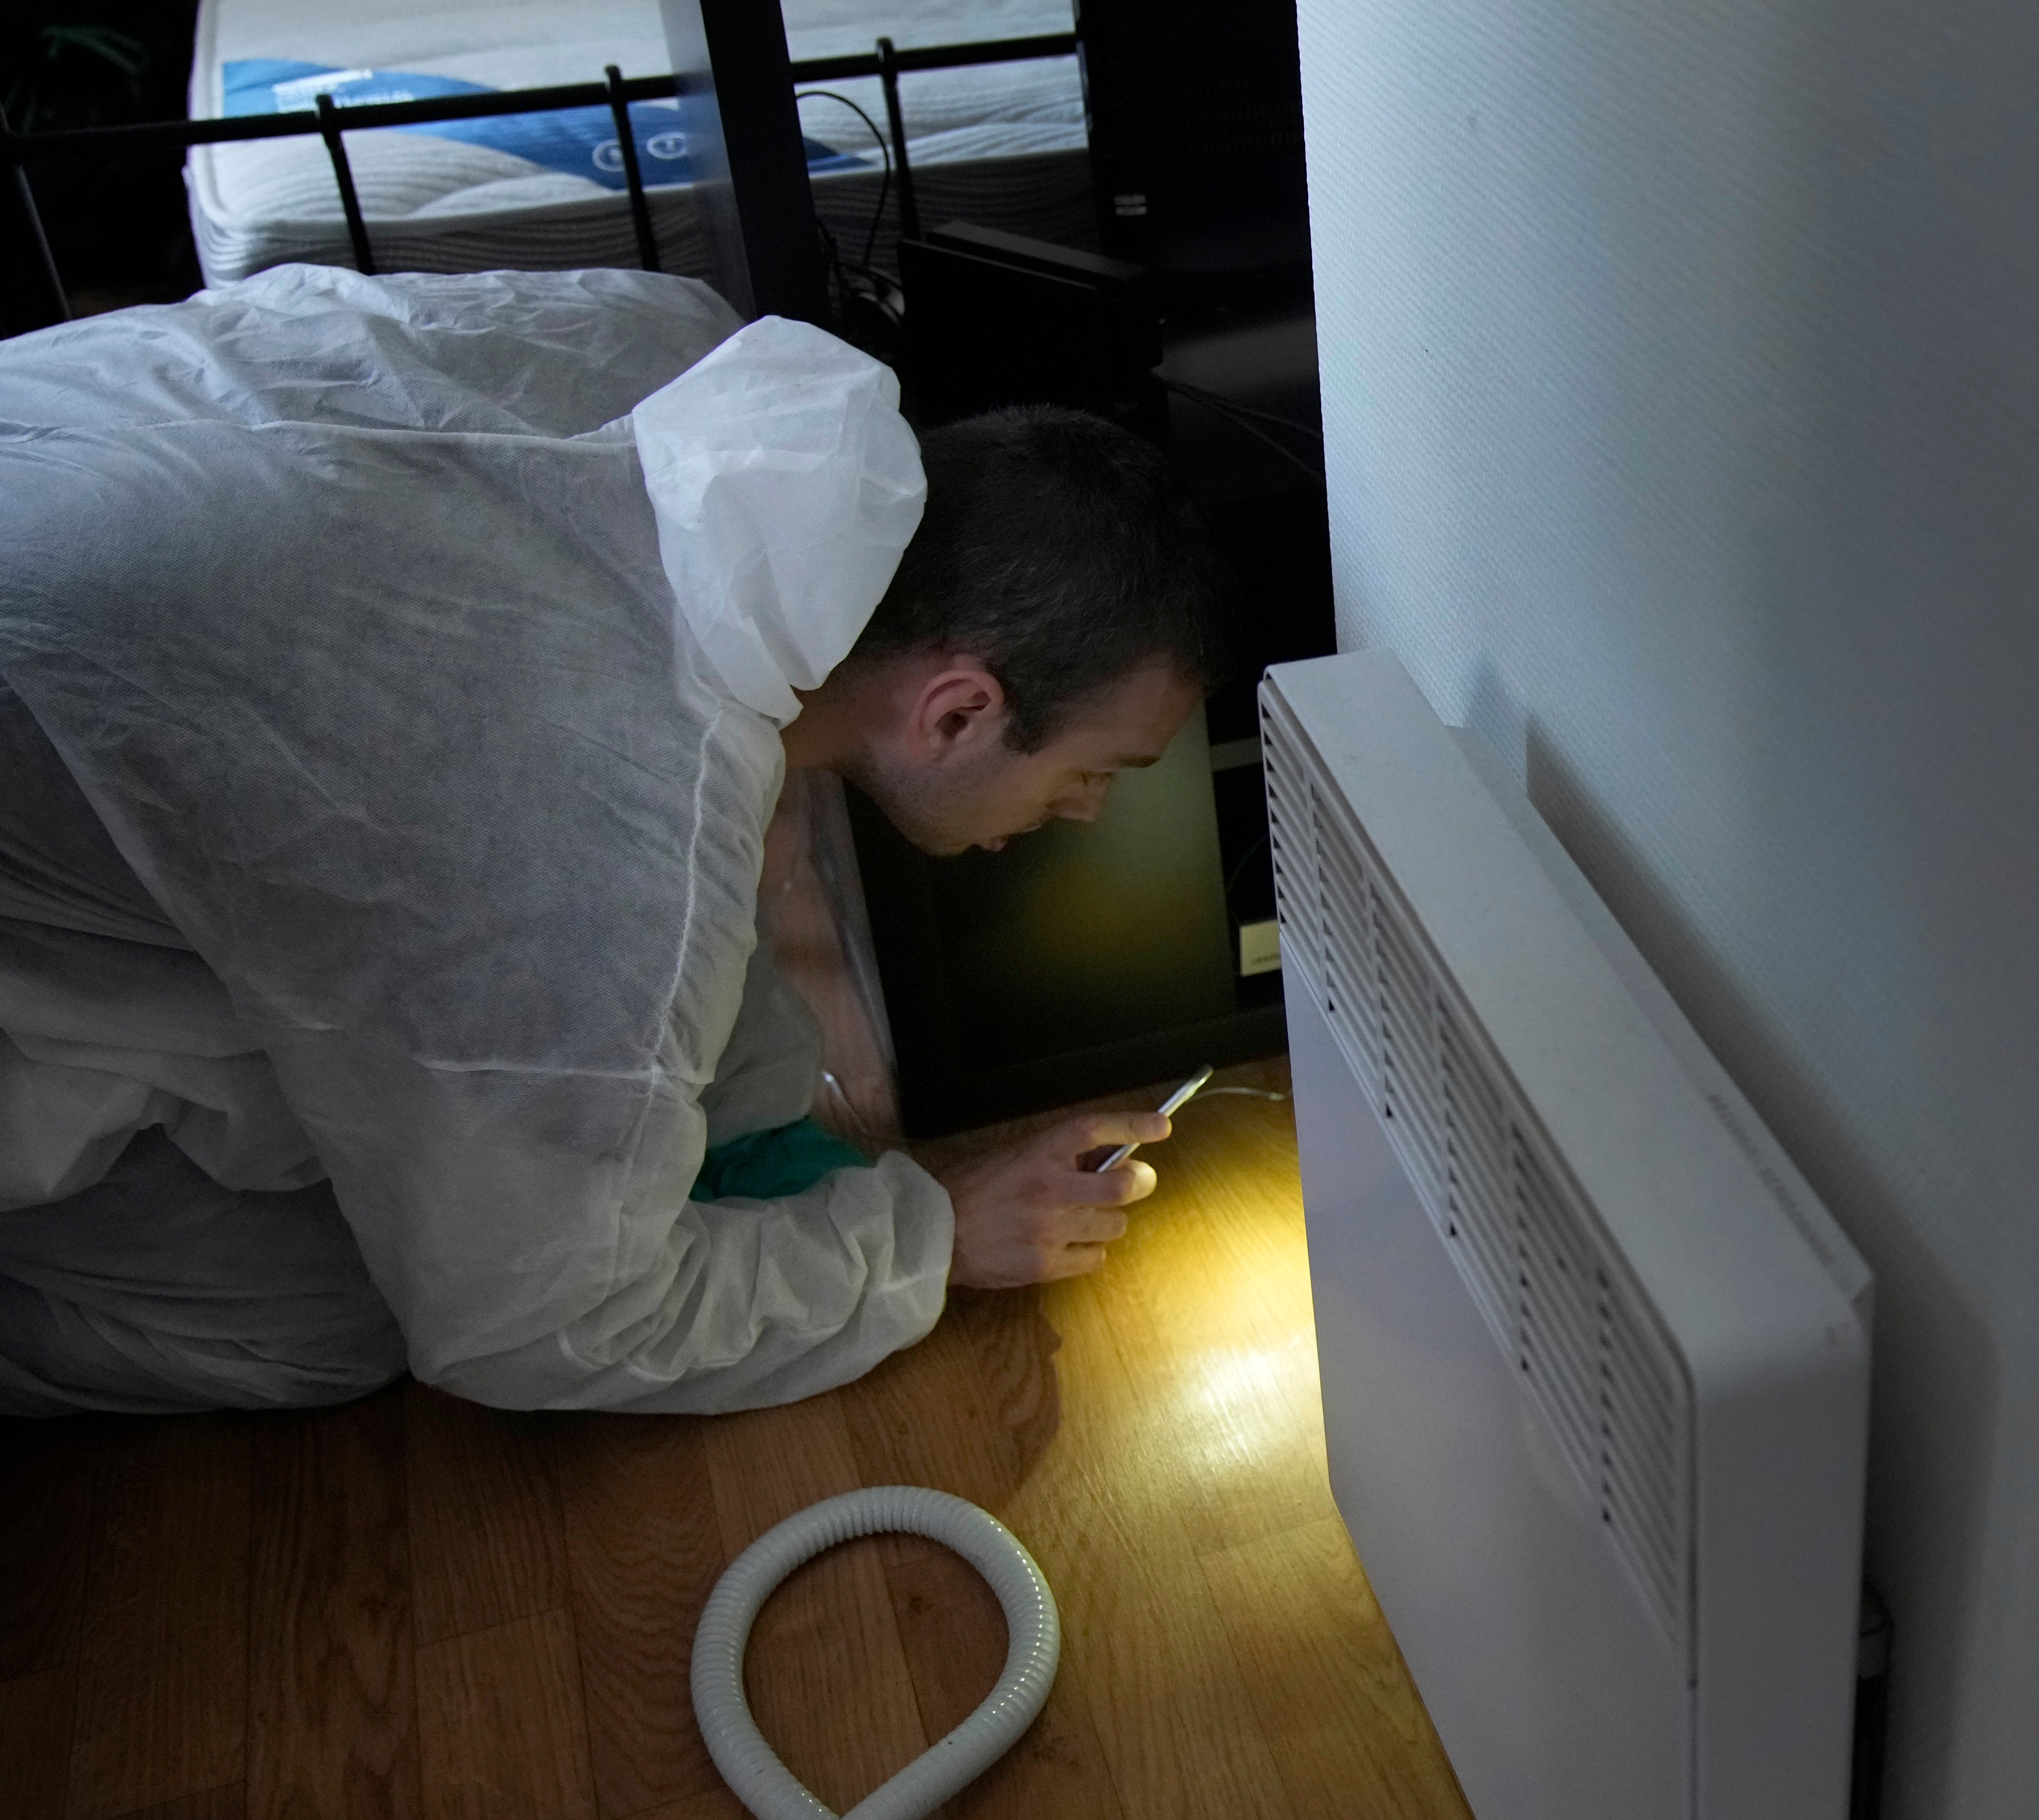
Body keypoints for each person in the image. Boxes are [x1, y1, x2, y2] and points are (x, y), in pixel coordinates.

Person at [0, 264, 1231, 1416]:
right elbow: (531, 1328)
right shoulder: (590, 813)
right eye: (1094, 773)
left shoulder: (704, 363)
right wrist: (933, 1241)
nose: (1084, 812)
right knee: (332, 1316)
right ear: (958, 709)